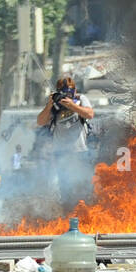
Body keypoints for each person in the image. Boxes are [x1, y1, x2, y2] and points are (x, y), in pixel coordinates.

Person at [36, 76, 97, 210]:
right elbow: (40, 121)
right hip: (61, 154)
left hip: (80, 152)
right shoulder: (54, 106)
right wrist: (50, 104)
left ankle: (85, 214)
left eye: (70, 92)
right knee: (66, 190)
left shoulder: (81, 99)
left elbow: (90, 114)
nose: (67, 95)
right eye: (64, 92)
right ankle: (68, 215)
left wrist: (73, 105)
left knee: (84, 188)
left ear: (74, 91)